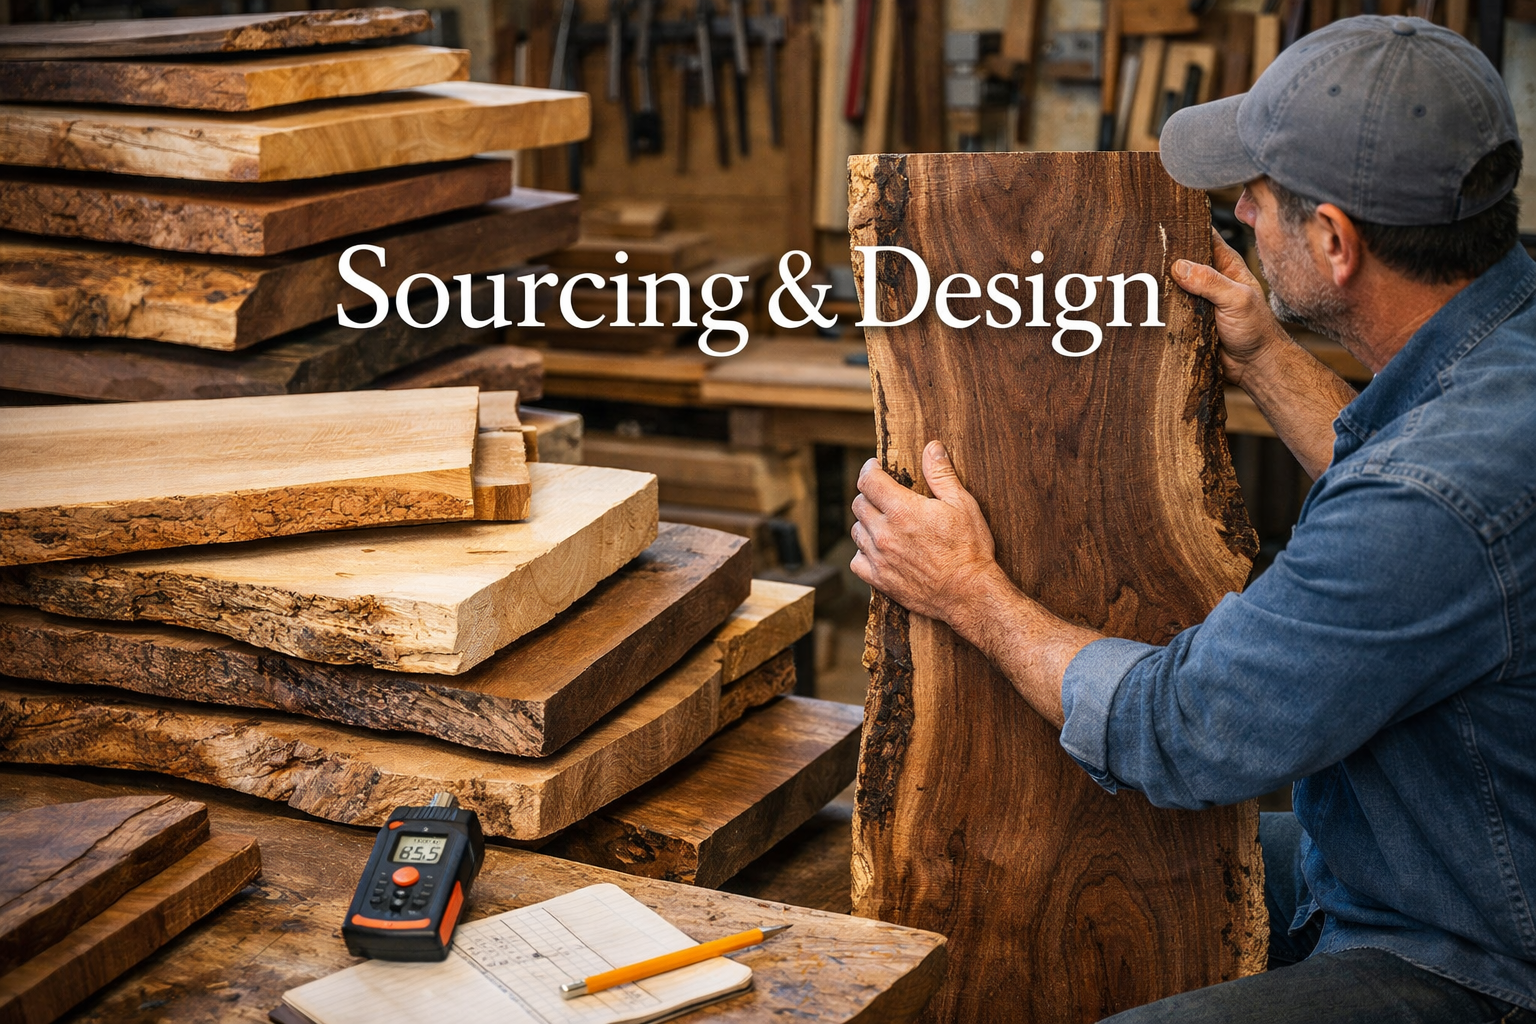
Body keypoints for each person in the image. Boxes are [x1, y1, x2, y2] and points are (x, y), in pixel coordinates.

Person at [848, 15, 1536, 1023]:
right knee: (1067, 863)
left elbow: (1184, 729)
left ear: (1336, 241)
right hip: (1442, 838)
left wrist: (971, 592)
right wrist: (1260, 353)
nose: (1241, 216)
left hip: (1467, 945)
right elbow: (1421, 501)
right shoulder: (1498, 365)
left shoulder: (1426, 500)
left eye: (1258, 199)